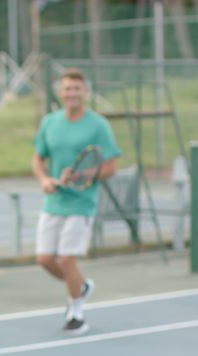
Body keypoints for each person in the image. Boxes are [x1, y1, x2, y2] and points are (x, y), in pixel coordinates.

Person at [31, 68, 121, 334]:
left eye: (77, 89)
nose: (72, 94)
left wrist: (81, 175)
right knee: (45, 260)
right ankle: (80, 287)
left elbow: (110, 167)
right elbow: (38, 158)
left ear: (86, 93)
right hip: (54, 203)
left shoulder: (98, 125)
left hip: (81, 203)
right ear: (61, 92)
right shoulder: (49, 122)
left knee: (68, 260)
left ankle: (76, 312)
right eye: (68, 89)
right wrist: (45, 180)